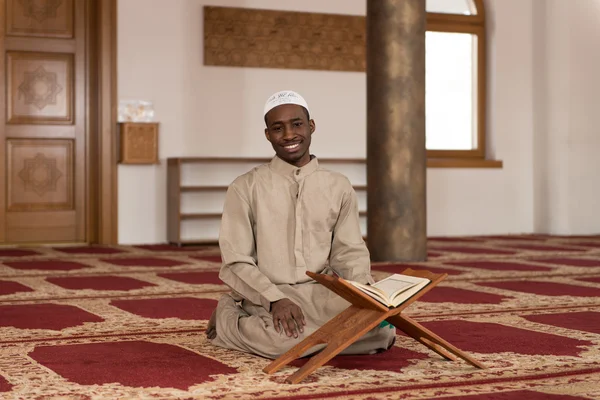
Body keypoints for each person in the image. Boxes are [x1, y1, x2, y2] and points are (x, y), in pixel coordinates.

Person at [206, 90, 396, 359]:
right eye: (277, 128)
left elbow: (349, 251)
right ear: (268, 135)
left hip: (321, 294)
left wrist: (364, 297)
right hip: (267, 294)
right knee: (282, 344)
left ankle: (322, 336)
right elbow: (236, 260)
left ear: (311, 126)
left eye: (296, 124)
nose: (288, 135)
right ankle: (229, 317)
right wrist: (275, 300)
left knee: (380, 332)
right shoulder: (245, 187)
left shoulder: (338, 185)